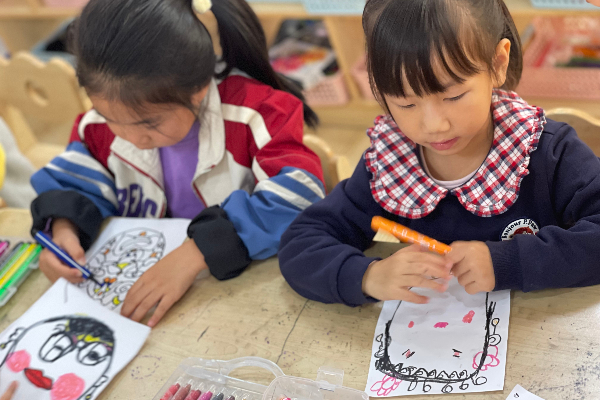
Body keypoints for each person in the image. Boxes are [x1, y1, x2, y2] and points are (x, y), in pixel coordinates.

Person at [279, 0, 600, 306]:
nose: (434, 125)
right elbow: (302, 242)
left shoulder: (545, 151)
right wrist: (367, 276)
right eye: (406, 103)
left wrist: (510, 262)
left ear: (498, 64)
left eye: (454, 96)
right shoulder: (390, 164)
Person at [30, 0, 325, 326]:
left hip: (244, 298)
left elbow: (298, 198)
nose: (131, 137)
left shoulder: (256, 115)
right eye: (110, 117)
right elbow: (75, 182)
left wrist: (197, 251)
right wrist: (64, 228)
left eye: (148, 123)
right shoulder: (99, 126)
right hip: (159, 303)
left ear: (198, 90)